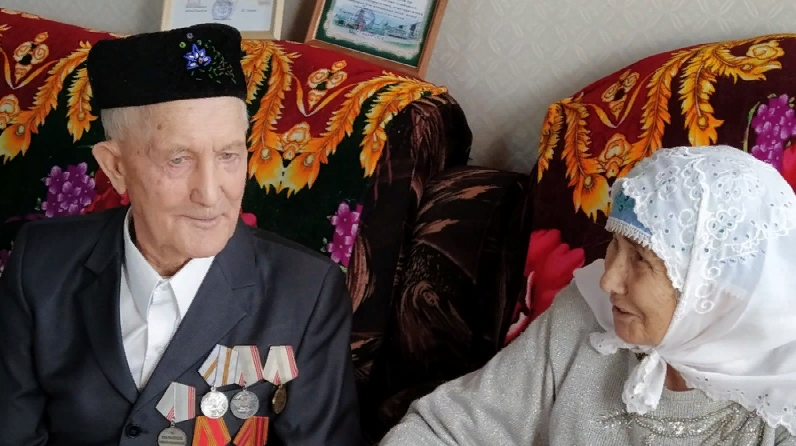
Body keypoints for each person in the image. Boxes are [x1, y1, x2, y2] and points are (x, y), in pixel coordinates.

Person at [0, 24, 361, 445]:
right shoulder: (39, 264)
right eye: (178, 159)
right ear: (116, 166)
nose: (210, 194)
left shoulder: (307, 292)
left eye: (228, 155)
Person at [381, 145, 796, 445]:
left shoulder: (781, 403)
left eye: (640, 260)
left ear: (717, 288)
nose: (607, 280)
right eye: (614, 245)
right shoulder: (586, 313)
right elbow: (447, 428)